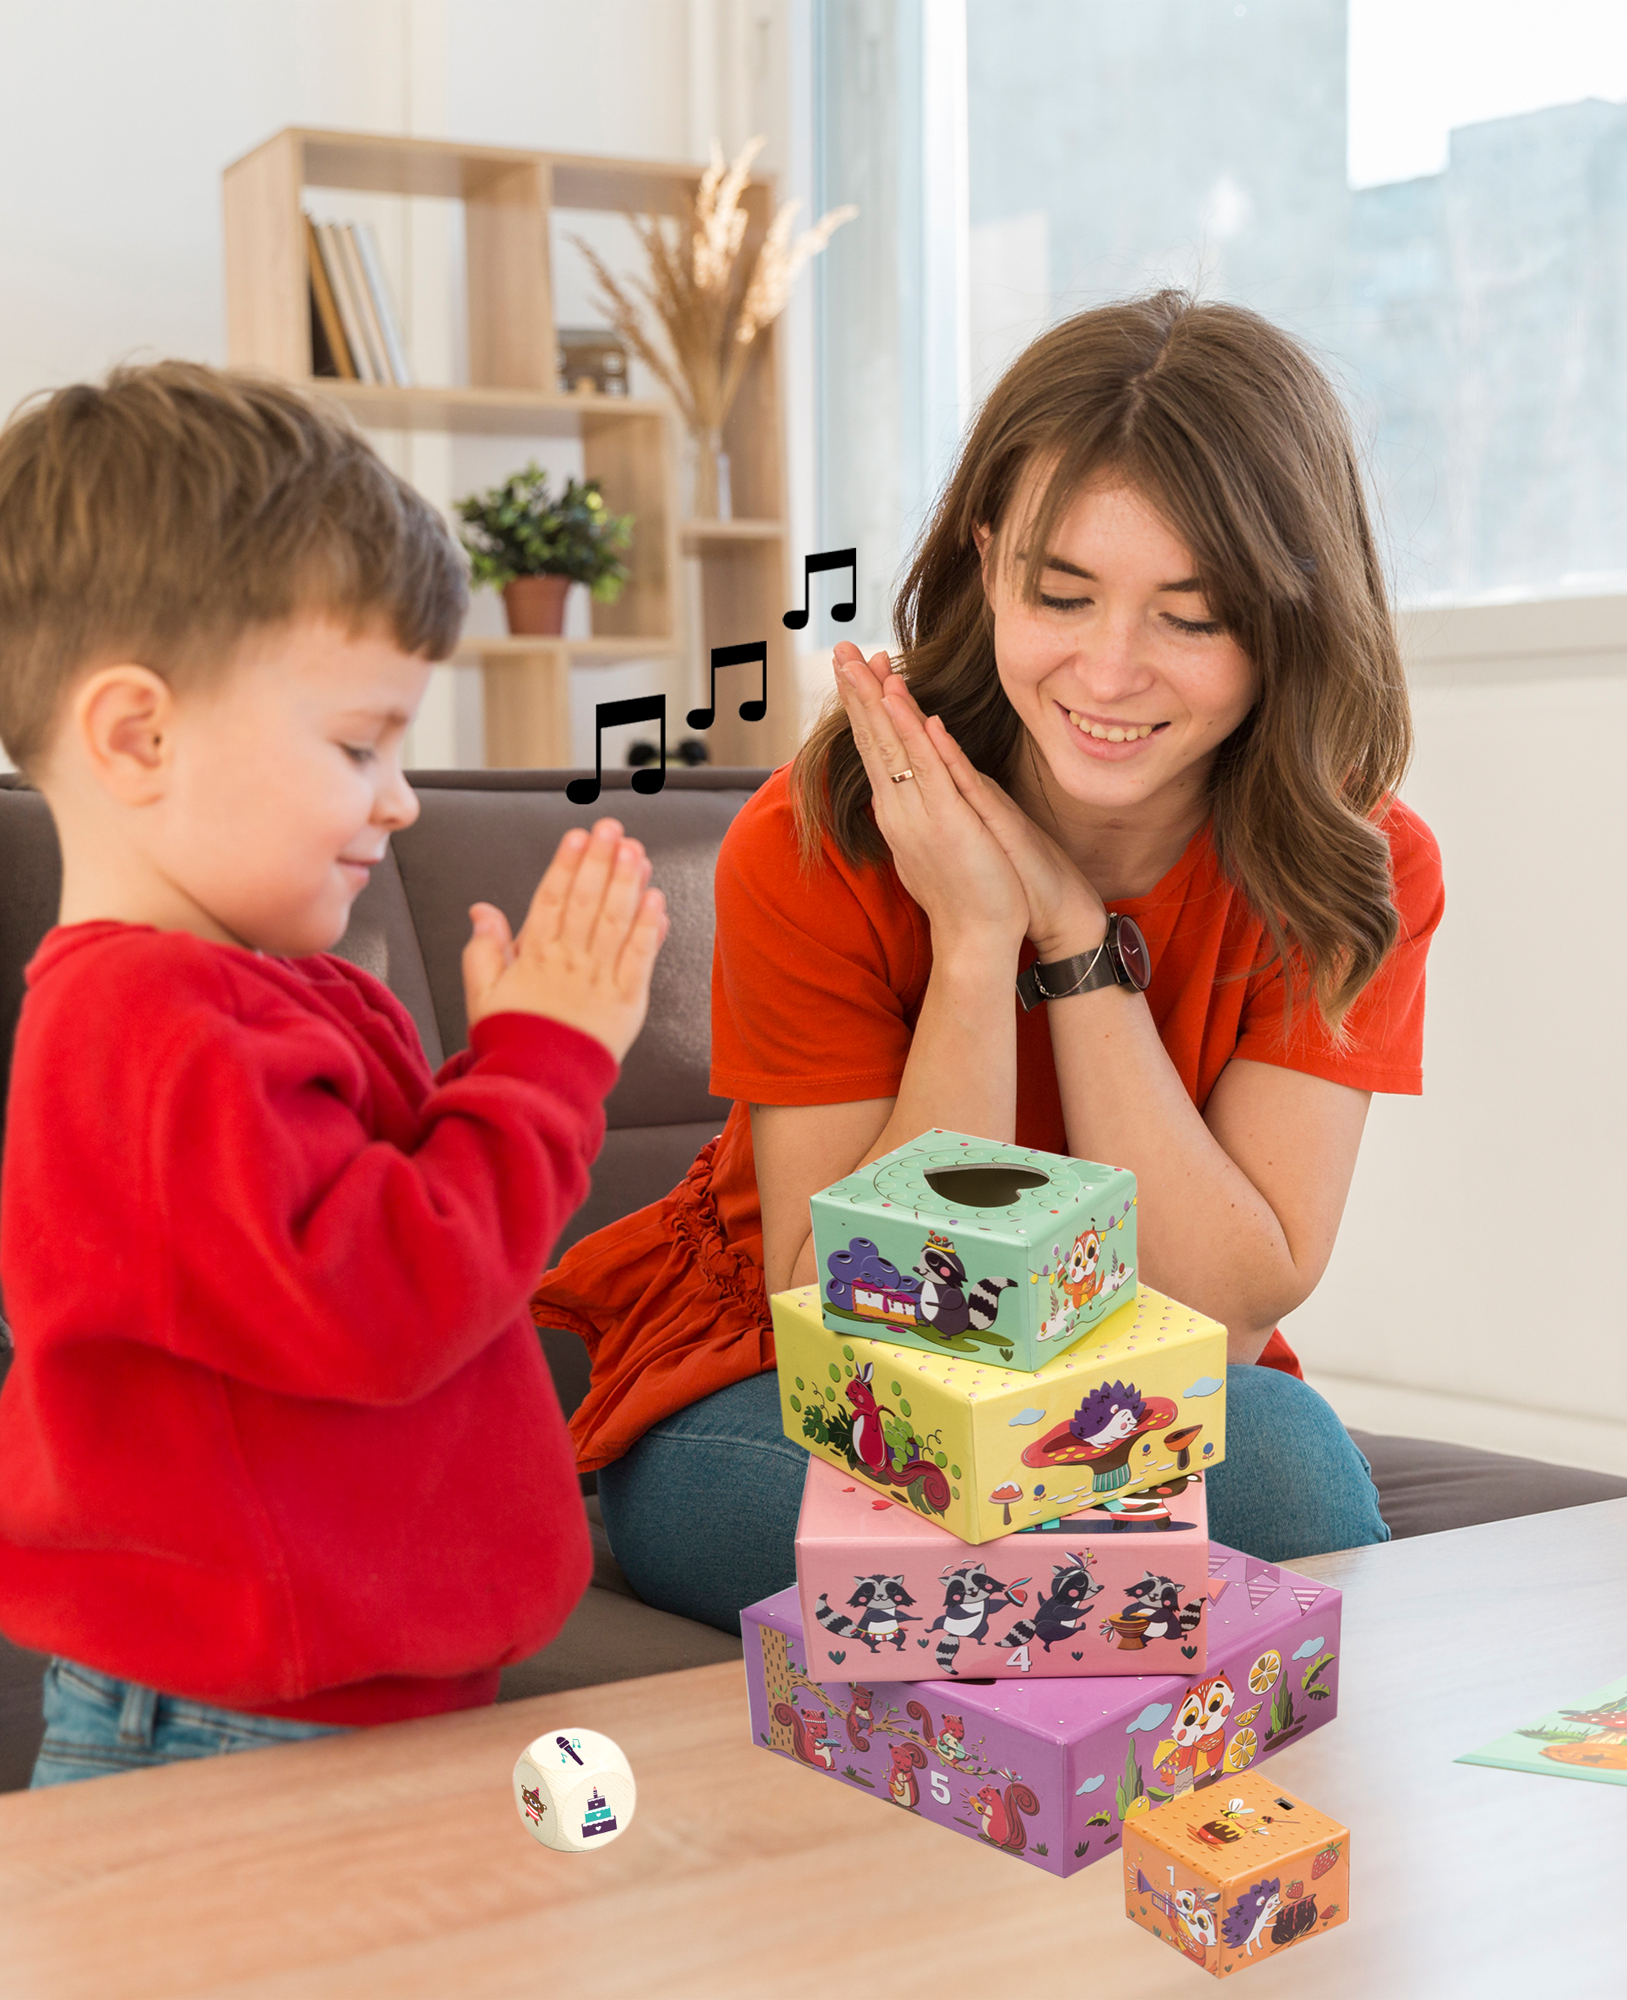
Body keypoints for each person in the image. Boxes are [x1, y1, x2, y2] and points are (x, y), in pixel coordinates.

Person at [535, 291, 1445, 1634]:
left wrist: (1073, 945)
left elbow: (1222, 1318)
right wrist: (973, 945)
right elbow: (853, 1319)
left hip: (1134, 1377)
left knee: (1288, 1472)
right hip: (781, 1382)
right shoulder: (817, 833)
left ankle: (1138, 1765)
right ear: (984, 565)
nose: (1111, 670)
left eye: (1190, 618)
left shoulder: (1355, 862)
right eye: (1060, 594)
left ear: (1290, 623)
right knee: (934, 1511)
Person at [0, 361, 669, 1785]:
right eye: (359, 743)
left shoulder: (244, 993)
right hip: (235, 1728)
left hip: (317, 1697)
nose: (402, 797)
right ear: (138, 736)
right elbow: (391, 1295)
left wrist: (495, 1061)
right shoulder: (155, 1031)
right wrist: (545, 1064)